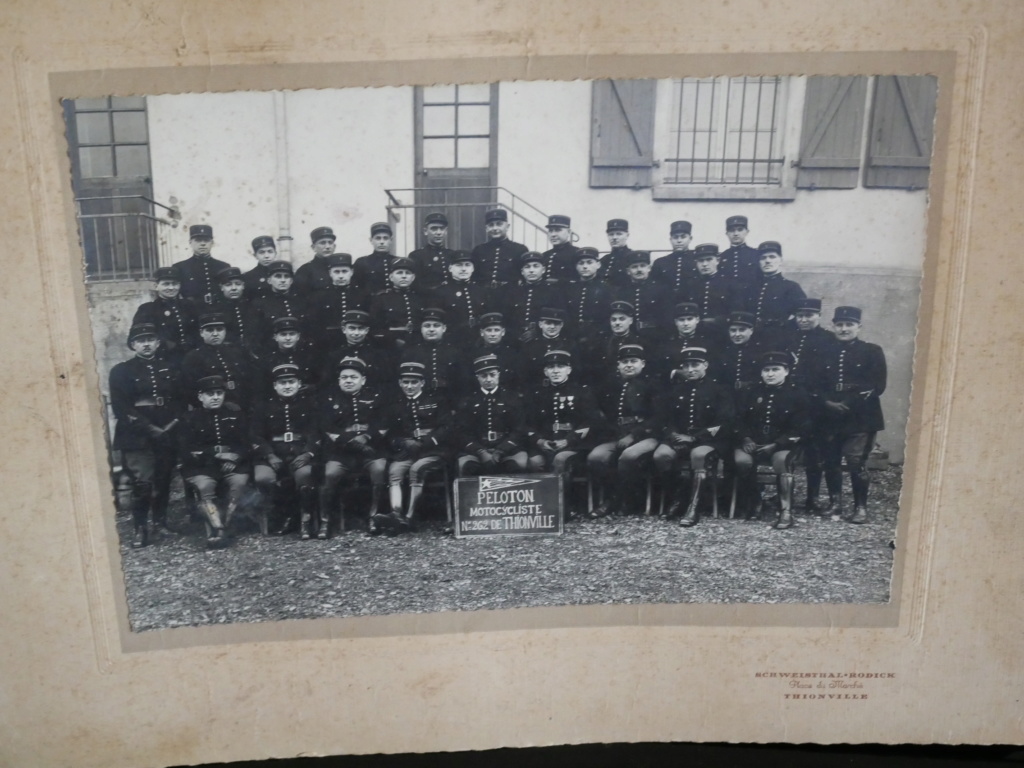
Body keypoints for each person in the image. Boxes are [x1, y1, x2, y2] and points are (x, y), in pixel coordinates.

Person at [108, 323, 184, 547]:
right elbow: (122, 408)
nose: (147, 344)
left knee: (163, 479)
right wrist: (150, 429)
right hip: (137, 436)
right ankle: (140, 528)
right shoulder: (121, 371)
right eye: (141, 340)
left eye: (151, 339)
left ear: (158, 343)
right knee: (142, 483)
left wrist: (171, 426)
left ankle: (160, 524)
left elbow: (181, 400)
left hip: (167, 431)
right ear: (133, 345)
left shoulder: (171, 368)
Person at [652, 346, 734, 526]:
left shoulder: (719, 390)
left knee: (698, 455)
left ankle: (693, 507)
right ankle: (677, 499)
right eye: (686, 365)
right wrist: (673, 435)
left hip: (709, 439)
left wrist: (695, 438)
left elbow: (724, 422)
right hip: (679, 437)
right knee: (661, 456)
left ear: (705, 365)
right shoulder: (675, 390)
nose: (690, 370)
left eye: (695, 365)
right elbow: (665, 418)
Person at [818, 306, 887, 524]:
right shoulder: (823, 351)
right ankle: (835, 503)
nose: (844, 329)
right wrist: (826, 403)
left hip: (860, 416)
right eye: (839, 325)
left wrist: (846, 403)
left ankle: (860, 507)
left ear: (859, 327)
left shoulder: (872, 351)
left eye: (849, 325)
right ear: (833, 326)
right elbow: (812, 383)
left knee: (856, 462)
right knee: (830, 461)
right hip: (829, 415)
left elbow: (876, 385)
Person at [733, 351, 812, 528]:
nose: (770, 374)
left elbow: (802, 427)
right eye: (766, 370)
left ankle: (786, 511)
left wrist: (777, 444)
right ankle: (754, 502)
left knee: (782, 461)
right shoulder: (750, 392)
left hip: (782, 444)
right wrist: (745, 438)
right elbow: (738, 419)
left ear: (786, 371)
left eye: (775, 369)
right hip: (752, 443)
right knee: (741, 461)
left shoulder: (798, 394)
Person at [178, 374, 252, 549]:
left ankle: (226, 526)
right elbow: (186, 449)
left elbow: (247, 442)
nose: (216, 397)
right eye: (210, 394)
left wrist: (235, 457)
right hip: (202, 467)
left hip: (233, 465)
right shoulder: (189, 418)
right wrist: (217, 456)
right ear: (200, 397)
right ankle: (217, 528)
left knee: (239, 483)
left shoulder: (236, 414)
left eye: (219, 393)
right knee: (205, 487)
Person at [317, 356, 389, 533]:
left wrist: (365, 439)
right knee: (331, 473)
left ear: (363, 380)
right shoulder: (329, 399)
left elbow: (383, 425)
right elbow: (328, 428)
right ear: (339, 380)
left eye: (353, 377)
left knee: (379, 470)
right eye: (344, 377)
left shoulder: (376, 397)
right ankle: (325, 521)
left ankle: (374, 517)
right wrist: (351, 442)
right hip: (341, 452)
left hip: (371, 450)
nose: (348, 381)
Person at [587, 344, 659, 517]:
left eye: (633, 361)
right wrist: (611, 429)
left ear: (642, 363)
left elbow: (658, 417)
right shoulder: (610, 386)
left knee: (629, 456)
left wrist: (635, 434)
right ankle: (615, 497)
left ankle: (623, 501)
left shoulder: (652, 385)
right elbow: (595, 408)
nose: (628, 365)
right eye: (624, 362)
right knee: (596, 458)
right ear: (618, 365)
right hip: (616, 435)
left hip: (646, 435)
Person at [381, 361, 455, 529]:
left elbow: (446, 427)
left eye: (414, 382)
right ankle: (396, 514)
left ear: (422, 383)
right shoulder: (395, 406)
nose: (409, 386)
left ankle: (409, 517)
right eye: (405, 382)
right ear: (400, 383)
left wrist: (427, 441)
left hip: (434, 450)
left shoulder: (436, 401)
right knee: (394, 471)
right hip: (407, 452)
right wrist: (403, 442)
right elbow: (390, 433)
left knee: (417, 469)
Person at [249, 364, 320, 538]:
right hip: (272, 453)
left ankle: (304, 520)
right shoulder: (263, 407)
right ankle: (278, 517)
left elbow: (317, 432)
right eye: (282, 383)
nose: (287, 386)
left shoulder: (310, 405)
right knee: (263, 478)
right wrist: (269, 455)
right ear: (275, 385)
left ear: (299, 383)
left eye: (291, 382)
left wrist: (308, 453)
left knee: (305, 476)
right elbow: (255, 436)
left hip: (300, 453)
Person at [783, 298, 835, 512]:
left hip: (815, 404)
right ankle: (782, 497)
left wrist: (818, 397)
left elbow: (830, 375)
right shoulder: (788, 337)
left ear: (819, 316)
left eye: (809, 315)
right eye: (800, 315)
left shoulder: (828, 340)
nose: (803, 320)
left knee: (815, 454)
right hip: (788, 401)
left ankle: (812, 498)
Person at [526, 350, 602, 492]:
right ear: (545, 372)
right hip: (546, 444)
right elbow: (528, 423)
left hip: (574, 446)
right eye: (551, 367)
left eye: (560, 367)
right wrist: (540, 441)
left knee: (560, 459)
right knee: (535, 462)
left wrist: (568, 440)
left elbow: (590, 422)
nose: (555, 371)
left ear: (569, 370)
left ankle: (562, 506)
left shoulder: (581, 392)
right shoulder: (537, 394)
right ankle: (541, 504)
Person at [455, 355, 529, 476]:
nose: (488, 379)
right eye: (484, 375)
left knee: (515, 469)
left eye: (492, 374)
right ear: (477, 377)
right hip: (477, 451)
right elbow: (462, 432)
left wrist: (501, 450)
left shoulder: (512, 398)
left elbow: (519, 430)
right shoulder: (468, 402)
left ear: (498, 374)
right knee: (469, 468)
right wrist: (480, 451)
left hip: (508, 450)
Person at [180, 312, 254, 409]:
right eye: (210, 330)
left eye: (219, 329)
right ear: (201, 333)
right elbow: (190, 390)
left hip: (241, 405)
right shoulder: (193, 357)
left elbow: (247, 383)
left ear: (225, 331)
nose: (215, 334)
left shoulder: (236, 353)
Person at [742, 241, 806, 349]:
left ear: (780, 260)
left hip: (778, 341)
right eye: (763, 258)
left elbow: (799, 318)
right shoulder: (750, 288)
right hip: (751, 342)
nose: (767, 261)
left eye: (772, 257)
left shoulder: (791, 287)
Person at [303, 252, 367, 355]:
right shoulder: (318, 296)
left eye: (344, 271)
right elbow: (313, 324)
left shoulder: (363, 295)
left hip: (356, 343)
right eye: (337, 272)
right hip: (327, 345)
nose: (341, 276)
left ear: (352, 272)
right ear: (330, 273)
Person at [132, 266, 199, 359]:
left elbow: (197, 330)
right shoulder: (147, 309)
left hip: (191, 356)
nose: (171, 288)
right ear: (156, 286)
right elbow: (137, 337)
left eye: (175, 284)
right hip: (164, 358)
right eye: (166, 284)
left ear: (180, 285)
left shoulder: (189, 306)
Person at [244, 260, 306, 357]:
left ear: (291, 281)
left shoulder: (301, 302)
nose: (282, 280)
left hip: (300, 354)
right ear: (269, 280)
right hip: (269, 354)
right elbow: (252, 334)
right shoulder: (259, 304)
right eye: (278, 276)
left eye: (286, 276)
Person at [399, 308, 464, 400]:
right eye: (427, 326)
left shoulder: (454, 352)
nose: (431, 329)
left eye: (436, 325)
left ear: (444, 328)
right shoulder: (411, 352)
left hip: (449, 398)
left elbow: (462, 381)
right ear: (421, 329)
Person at [679, 243, 741, 338]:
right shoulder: (689, 284)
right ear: (696, 263)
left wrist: (718, 320)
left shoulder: (730, 283)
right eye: (701, 261)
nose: (704, 264)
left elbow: (736, 311)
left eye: (709, 259)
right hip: (695, 334)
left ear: (717, 260)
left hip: (722, 332)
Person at [430, 250, 490, 347]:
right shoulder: (440, 292)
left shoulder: (481, 291)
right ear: (450, 268)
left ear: (473, 268)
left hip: (478, 341)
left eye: (467, 265)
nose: (463, 269)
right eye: (459, 265)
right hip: (452, 342)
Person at [613, 250, 671, 344]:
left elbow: (667, 318)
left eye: (642, 266)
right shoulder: (622, 292)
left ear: (649, 268)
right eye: (634, 267)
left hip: (655, 337)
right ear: (628, 271)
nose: (639, 269)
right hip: (629, 337)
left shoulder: (661, 289)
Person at [505, 251, 564, 343]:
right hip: (515, 339)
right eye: (527, 267)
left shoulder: (553, 291)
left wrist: (537, 331)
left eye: (536, 266)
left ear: (543, 270)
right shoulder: (513, 292)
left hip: (542, 339)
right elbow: (507, 317)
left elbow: (559, 318)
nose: (531, 270)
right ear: (522, 272)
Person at [369, 257, 425, 352]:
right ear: (391, 277)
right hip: (390, 347)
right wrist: (393, 340)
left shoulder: (420, 298)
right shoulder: (382, 298)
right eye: (399, 273)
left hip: (417, 345)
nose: (404, 276)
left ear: (413, 277)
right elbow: (375, 328)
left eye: (407, 273)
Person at [563, 246, 614, 347]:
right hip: (572, 338)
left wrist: (596, 334)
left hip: (597, 339)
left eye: (589, 262)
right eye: (581, 263)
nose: (585, 266)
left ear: (598, 264)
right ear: (576, 266)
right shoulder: (569, 289)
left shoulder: (606, 289)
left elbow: (608, 316)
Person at [172, 224, 231, 307]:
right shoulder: (180, 267)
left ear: (212, 243)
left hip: (220, 309)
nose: (202, 244)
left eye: (206, 240)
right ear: (190, 242)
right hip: (192, 311)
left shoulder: (223, 266)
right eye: (198, 240)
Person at [470, 207, 528, 287]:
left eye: (499, 224)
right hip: (484, 295)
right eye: (491, 225)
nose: (495, 228)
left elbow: (525, 277)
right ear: (486, 228)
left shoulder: (519, 249)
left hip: (510, 295)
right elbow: (473, 277)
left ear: (507, 226)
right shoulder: (479, 250)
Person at [213, 266, 256, 350]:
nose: (234, 288)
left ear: (243, 286)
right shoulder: (215, 309)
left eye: (238, 284)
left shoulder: (251, 306)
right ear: (221, 287)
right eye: (228, 285)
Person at [408, 212, 454, 290]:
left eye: (442, 229)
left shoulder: (452, 255)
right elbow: (415, 285)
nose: (438, 233)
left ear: (446, 231)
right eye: (434, 229)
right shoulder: (417, 256)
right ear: (425, 231)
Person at [650, 220, 697, 296]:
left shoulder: (697, 261)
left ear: (690, 239)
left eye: (683, 237)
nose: (679, 241)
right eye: (675, 237)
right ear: (670, 240)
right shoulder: (660, 262)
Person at [352, 221, 396, 295]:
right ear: (371, 240)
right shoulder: (362, 262)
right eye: (378, 238)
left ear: (391, 240)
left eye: (385, 238)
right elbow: (356, 289)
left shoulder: (396, 261)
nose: (382, 242)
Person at [293, 225, 338, 296]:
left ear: (334, 246)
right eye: (322, 243)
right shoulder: (304, 271)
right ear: (313, 247)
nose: (327, 247)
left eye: (330, 242)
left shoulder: (340, 268)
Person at [718, 215, 760, 286]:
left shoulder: (756, 254)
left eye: (740, 230)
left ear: (747, 232)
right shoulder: (722, 257)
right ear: (727, 234)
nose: (736, 234)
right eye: (732, 230)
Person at [541, 214, 581, 283]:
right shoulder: (545, 255)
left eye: (558, 230)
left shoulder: (577, 253)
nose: (553, 234)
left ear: (568, 232)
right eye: (550, 231)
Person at [597, 218, 634, 287]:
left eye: (619, 234)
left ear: (627, 235)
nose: (614, 237)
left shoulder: (632, 258)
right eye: (611, 234)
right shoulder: (604, 260)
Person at [242, 235, 279, 302]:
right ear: (255, 255)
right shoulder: (248, 277)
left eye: (270, 251)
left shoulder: (283, 275)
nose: (266, 256)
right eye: (261, 252)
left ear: (275, 253)